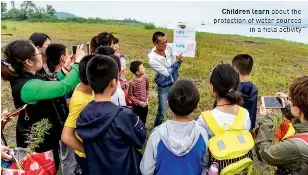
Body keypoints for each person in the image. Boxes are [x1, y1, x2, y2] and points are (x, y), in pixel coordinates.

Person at [1, 40, 83, 170]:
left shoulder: (30, 76)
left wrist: (67, 67)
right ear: (29, 62)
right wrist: (78, 64)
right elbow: (63, 87)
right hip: (37, 141)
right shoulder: (28, 86)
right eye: (38, 53)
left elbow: (51, 83)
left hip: (42, 134)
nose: (41, 55)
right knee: (41, 170)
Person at [76, 55, 146, 175]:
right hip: (123, 169)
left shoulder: (83, 114)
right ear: (113, 83)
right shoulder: (123, 115)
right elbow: (140, 139)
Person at [140, 79, 208, 175]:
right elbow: (205, 167)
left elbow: (146, 170)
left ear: (168, 104)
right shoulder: (203, 134)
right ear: (197, 106)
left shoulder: (157, 135)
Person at [256, 76, 308, 174]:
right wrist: (289, 107)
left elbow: (264, 154)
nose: (289, 100)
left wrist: (266, 121)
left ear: (298, 110)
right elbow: (301, 119)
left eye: (291, 100)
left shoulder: (295, 146)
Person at [46, 43, 79, 175]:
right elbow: (67, 102)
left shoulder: (51, 77)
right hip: (66, 124)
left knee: (69, 155)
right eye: (67, 53)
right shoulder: (63, 81)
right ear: (63, 59)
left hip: (65, 123)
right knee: (68, 157)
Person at [61, 54, 96, 175]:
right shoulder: (81, 102)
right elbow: (66, 136)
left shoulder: (82, 87)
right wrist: (87, 151)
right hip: (86, 155)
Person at [149, 31, 184, 127]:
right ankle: (155, 130)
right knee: (162, 111)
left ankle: (174, 127)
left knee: (176, 107)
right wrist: (178, 62)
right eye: (163, 42)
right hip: (164, 86)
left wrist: (183, 29)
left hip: (174, 82)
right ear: (155, 44)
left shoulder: (169, 47)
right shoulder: (153, 60)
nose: (166, 44)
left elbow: (182, 41)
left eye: (166, 41)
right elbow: (167, 73)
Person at [232, 54, 258, 130]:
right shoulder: (254, 89)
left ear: (235, 69)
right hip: (248, 131)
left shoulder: (232, 90)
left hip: (232, 132)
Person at [128, 61, 150, 126]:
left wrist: (147, 99)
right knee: (137, 121)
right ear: (137, 72)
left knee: (144, 119)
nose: (144, 69)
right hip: (137, 106)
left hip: (145, 104)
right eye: (142, 68)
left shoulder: (145, 78)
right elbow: (130, 95)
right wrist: (139, 103)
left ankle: (143, 130)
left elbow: (148, 89)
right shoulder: (132, 82)